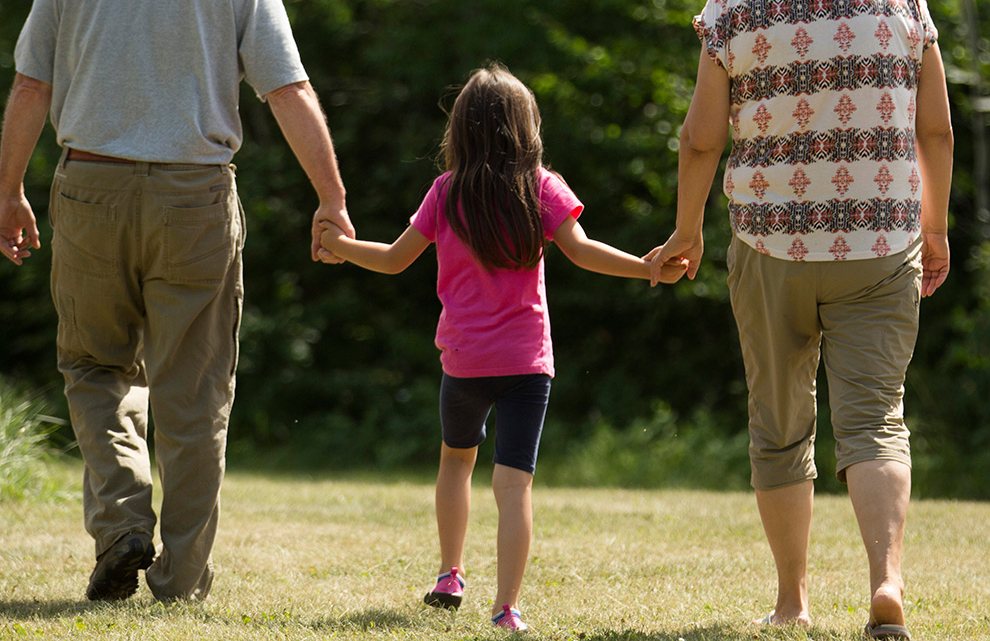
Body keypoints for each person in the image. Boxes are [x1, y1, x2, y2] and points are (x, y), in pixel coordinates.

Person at [0, 0, 352, 601]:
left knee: (94, 367)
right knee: (193, 393)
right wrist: (332, 199)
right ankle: (182, 578)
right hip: (196, 196)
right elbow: (288, 88)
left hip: (91, 187)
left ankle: (122, 524)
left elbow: (33, 83)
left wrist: (8, 192)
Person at [317, 62, 686, 631]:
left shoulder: (445, 191)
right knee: (513, 485)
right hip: (526, 364)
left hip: (464, 362)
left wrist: (343, 246)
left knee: (454, 465)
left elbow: (392, 260)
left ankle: (449, 573)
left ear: (460, 129)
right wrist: (647, 268)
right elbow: (583, 252)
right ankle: (507, 608)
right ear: (527, 128)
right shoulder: (541, 186)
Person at [652, 0, 953, 637]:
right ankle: (886, 584)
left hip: (770, 244)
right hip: (878, 242)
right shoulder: (904, 6)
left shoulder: (733, 9)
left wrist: (687, 230)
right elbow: (936, 131)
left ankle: (792, 602)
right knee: (875, 417)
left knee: (781, 422)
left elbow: (701, 136)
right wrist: (935, 228)